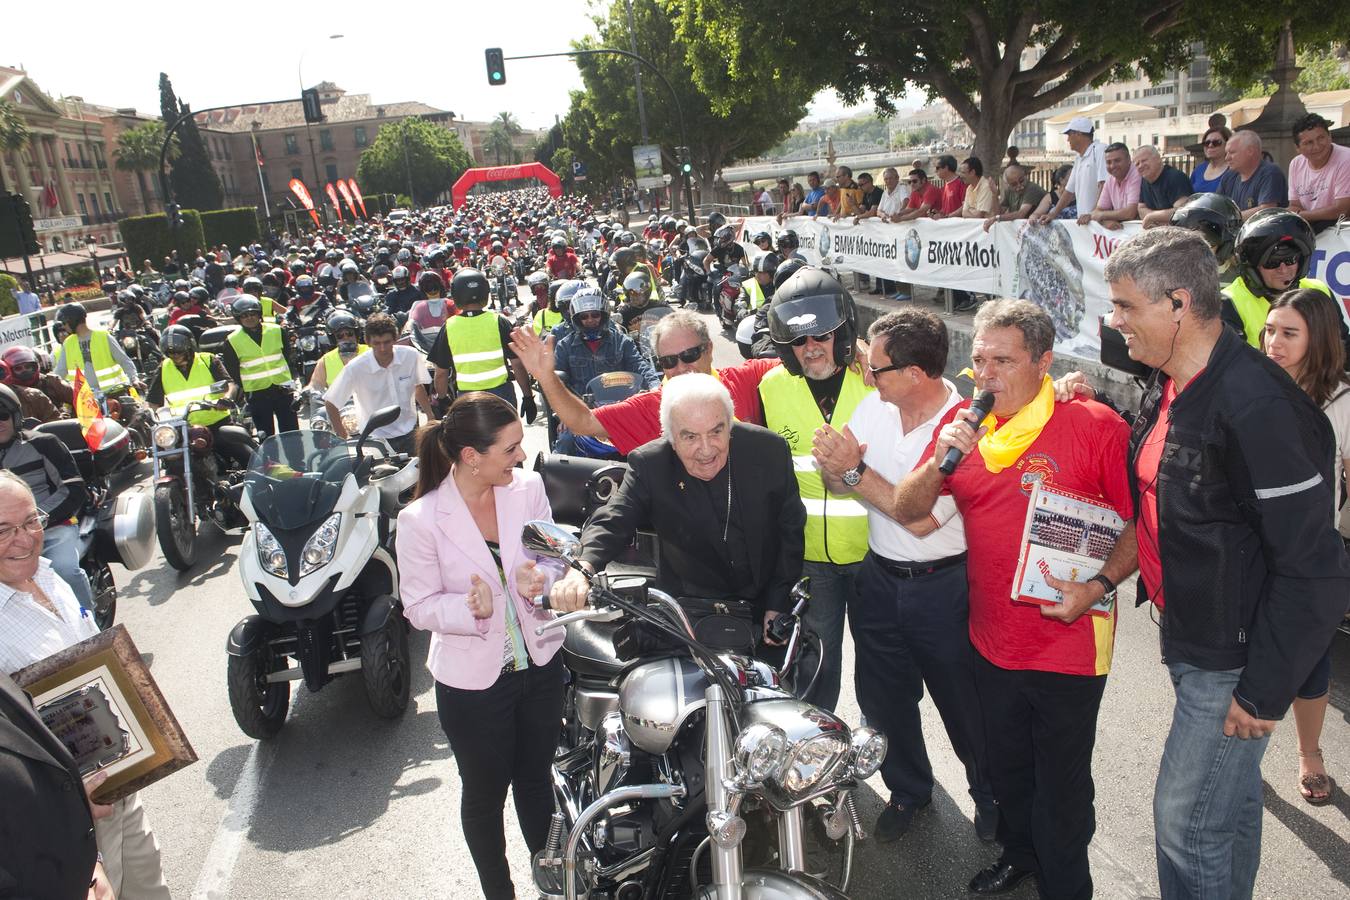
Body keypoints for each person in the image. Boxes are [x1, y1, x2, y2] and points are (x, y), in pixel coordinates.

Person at [1102, 227, 1349, 900]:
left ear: (1177, 304)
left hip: (1232, 658)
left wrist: (1263, 690)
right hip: (1193, 636)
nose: (1113, 321)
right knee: (1230, 810)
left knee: (1185, 822)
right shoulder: (1171, 382)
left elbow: (1316, 570)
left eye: (1124, 306)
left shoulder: (1260, 405)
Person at [891, 299, 1136, 899]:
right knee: (1008, 770)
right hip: (991, 641)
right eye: (979, 359)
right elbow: (908, 508)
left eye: (1004, 360)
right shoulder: (966, 429)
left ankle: (1066, 884)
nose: (987, 374)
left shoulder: (1094, 424)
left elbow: (1139, 526)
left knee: (1063, 784)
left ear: (1044, 362)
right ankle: (1021, 856)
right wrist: (946, 455)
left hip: (1070, 644)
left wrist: (1098, 586)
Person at [810, 308, 996, 843]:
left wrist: (851, 470)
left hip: (943, 587)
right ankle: (909, 790)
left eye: (878, 365)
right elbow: (841, 481)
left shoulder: (963, 429)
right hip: (879, 580)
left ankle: (990, 797)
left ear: (915, 373)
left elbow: (918, 519)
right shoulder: (875, 408)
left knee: (964, 704)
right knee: (884, 701)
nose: (867, 372)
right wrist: (836, 466)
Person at [396, 393, 567, 900]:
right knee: (485, 796)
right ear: (472, 456)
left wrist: (544, 576)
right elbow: (418, 606)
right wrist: (470, 608)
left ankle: (552, 877)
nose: (521, 456)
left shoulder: (530, 487)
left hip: (540, 663)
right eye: (511, 448)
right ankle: (499, 891)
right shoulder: (420, 519)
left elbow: (554, 551)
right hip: (473, 687)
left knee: (537, 780)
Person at [0, 472, 170, 899]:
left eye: (31, 522)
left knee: (151, 888)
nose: (24, 540)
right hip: (67, 824)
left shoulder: (52, 577)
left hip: (120, 785)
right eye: (3, 530)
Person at [550, 373, 806, 643]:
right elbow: (614, 519)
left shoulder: (768, 450)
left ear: (730, 425)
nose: (706, 449)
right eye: (690, 437)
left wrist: (777, 604)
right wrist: (581, 570)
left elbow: (790, 529)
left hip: (767, 606)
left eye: (716, 432)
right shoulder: (651, 464)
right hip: (691, 612)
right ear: (671, 437)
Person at [757, 269, 872, 712]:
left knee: (881, 669)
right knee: (814, 667)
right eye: (800, 341)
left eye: (822, 335)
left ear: (843, 333)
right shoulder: (771, 387)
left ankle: (891, 759)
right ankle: (814, 756)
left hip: (873, 554)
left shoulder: (877, 378)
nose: (811, 348)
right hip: (809, 560)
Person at [1260, 287, 1350, 806]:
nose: (1273, 342)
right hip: (1250, 550)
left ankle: (1310, 754)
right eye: (1270, 330)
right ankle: (1237, 754)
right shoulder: (1247, 387)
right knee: (1240, 656)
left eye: (1288, 333)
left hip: (1311, 555)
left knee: (1311, 661)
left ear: (1319, 339)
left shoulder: (1341, 400)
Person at [510, 310, 780, 457]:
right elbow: (583, 422)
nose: (681, 368)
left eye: (689, 355)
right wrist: (546, 376)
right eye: (669, 362)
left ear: (709, 350)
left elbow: (800, 363)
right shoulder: (651, 406)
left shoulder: (747, 378)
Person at [0, 385, 92, 612]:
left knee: (63, 569)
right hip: (4, 539)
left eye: (2, 414)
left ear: (15, 415)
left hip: (53, 527)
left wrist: (37, 518)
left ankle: (92, 634)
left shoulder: (43, 444)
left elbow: (73, 488)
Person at [428, 269, 534, 420]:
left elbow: (441, 374)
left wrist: (443, 399)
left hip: (468, 399)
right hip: (501, 395)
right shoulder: (499, 322)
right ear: (485, 292)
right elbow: (517, 364)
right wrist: (528, 396)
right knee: (508, 440)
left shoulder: (449, 327)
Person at [325, 313, 434, 454]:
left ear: (395, 339)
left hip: (410, 431)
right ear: (368, 342)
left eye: (387, 342)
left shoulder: (411, 356)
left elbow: (418, 387)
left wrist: (430, 415)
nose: (382, 348)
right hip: (376, 439)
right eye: (377, 343)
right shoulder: (355, 368)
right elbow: (331, 402)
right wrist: (342, 437)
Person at [145, 325, 253, 467]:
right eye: (170, 352)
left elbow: (230, 384)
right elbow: (153, 402)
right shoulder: (164, 368)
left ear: (189, 347)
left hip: (217, 424)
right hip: (184, 430)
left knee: (248, 457)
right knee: (171, 462)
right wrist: (150, 416)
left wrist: (227, 398)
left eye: (178, 351)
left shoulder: (208, 360)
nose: (175, 355)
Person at [1221, 209, 1331, 346]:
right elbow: (1232, 362)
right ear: (1252, 267)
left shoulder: (1319, 290)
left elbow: (1341, 344)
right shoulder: (1229, 303)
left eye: (1291, 260)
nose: (1283, 269)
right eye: (1272, 263)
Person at [220, 295, 299, 439]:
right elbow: (232, 370)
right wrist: (246, 388)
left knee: (292, 434)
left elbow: (287, 356)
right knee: (266, 437)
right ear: (238, 318)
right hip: (257, 393)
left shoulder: (277, 331)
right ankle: (271, 463)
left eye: (253, 314)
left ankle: (297, 461)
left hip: (283, 388)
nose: (249, 318)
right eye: (244, 316)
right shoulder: (232, 340)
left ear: (259, 314)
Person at [52, 303, 143, 395]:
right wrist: (48, 384)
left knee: (133, 409)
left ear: (72, 320)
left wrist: (134, 378)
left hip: (115, 393)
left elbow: (124, 361)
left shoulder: (103, 336)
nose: (63, 326)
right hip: (86, 400)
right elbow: (60, 371)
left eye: (64, 323)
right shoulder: (68, 343)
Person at [1287, 112, 1350, 233]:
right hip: (1310, 230)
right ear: (1297, 148)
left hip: (1341, 232)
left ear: (1330, 136)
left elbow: (1342, 210)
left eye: (1321, 138)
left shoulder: (1346, 159)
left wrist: (1301, 215)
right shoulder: (1295, 164)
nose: (1317, 147)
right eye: (1308, 143)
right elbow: (1295, 205)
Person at [1034, 118, 1105, 224]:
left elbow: (1104, 185)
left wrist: (1094, 213)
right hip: (1085, 221)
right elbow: (1069, 191)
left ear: (1078, 134)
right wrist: (1053, 214)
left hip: (1098, 221)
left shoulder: (1100, 150)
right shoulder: (1078, 158)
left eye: (1069, 135)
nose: (1068, 140)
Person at [1218, 130, 1287, 220]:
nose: (1227, 158)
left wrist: (1229, 219)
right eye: (1226, 153)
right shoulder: (1229, 176)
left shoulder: (1270, 173)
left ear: (1250, 151)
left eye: (1232, 152)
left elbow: (1267, 211)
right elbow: (1217, 207)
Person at [307, 311, 368, 393]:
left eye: (350, 334)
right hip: (339, 405)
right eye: (340, 336)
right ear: (333, 339)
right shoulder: (325, 361)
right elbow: (315, 385)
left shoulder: (370, 352)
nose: (346, 338)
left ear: (356, 334)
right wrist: (306, 392)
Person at [1084, 142, 1141, 229]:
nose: (1112, 166)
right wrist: (1104, 221)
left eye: (1117, 161)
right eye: (1108, 162)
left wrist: (1102, 216)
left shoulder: (1137, 174)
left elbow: (1130, 213)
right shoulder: (1110, 180)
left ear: (1129, 159)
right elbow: (1097, 211)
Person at [1135, 145, 1193, 228]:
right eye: (1137, 164)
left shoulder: (1175, 177)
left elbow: (1182, 212)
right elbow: (1141, 209)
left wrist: (1151, 217)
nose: (1140, 165)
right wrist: (1156, 218)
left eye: (1144, 160)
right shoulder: (1145, 180)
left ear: (1158, 159)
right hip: (1160, 230)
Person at [983, 164, 1045, 231]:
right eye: (1014, 184)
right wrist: (994, 194)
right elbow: (998, 213)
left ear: (1025, 176)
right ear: (1008, 185)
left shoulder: (1032, 188)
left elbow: (1020, 214)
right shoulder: (1009, 191)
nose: (1019, 186)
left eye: (1021, 181)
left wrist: (996, 218)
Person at [1191, 126, 1231, 193]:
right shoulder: (1199, 170)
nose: (1210, 145)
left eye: (1216, 142)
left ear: (1227, 144)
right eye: (1206, 143)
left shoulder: (1233, 171)